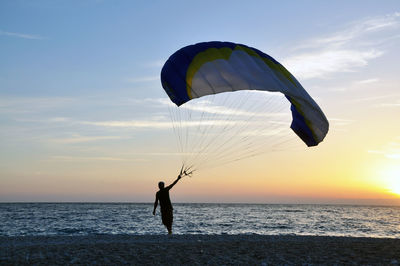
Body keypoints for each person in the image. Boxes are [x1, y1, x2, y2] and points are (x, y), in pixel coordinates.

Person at [153, 167, 191, 234]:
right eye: (159, 185)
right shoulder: (158, 193)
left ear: (163, 185)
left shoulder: (166, 189)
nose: (160, 186)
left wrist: (178, 179)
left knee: (169, 220)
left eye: (161, 185)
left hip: (169, 208)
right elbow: (156, 202)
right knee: (164, 221)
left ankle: (170, 231)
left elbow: (173, 184)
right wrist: (154, 210)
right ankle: (169, 231)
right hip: (163, 209)